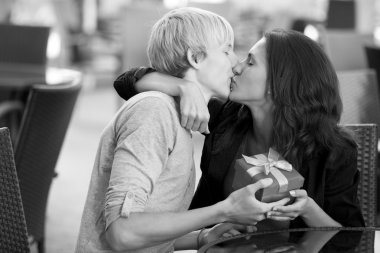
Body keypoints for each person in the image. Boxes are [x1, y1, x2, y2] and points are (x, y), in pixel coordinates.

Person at [76, 8, 291, 253]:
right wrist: (225, 209)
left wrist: (202, 236)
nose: (235, 62)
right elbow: (122, 233)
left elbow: (145, 234)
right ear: (196, 58)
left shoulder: (179, 116)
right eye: (226, 50)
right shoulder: (154, 112)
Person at [114, 28, 365, 229]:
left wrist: (309, 209)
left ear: (277, 84)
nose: (236, 67)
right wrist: (184, 88)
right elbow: (126, 81)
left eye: (250, 62)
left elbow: (349, 239)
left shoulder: (335, 151)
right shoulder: (226, 117)